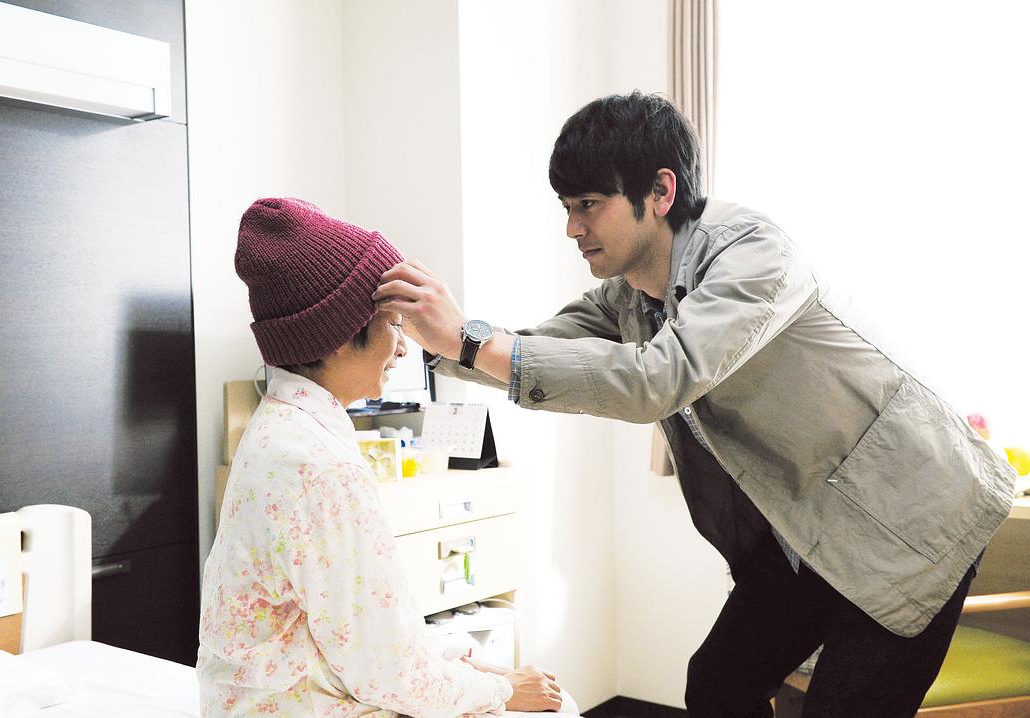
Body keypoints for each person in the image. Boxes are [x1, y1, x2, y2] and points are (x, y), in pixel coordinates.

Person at [373, 92, 1018, 718]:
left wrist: (468, 341)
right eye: (567, 207)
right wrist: (432, 343)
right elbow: (531, 350)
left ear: (660, 191)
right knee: (717, 686)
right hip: (808, 528)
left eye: (589, 205)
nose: (572, 228)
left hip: (910, 513)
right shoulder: (631, 296)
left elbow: (659, 378)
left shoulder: (752, 255)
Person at [197, 198, 567, 717]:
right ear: (338, 336)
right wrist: (502, 692)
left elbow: (367, 637)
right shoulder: (320, 466)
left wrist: (475, 671)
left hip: (257, 701)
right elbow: (386, 672)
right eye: (394, 324)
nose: (404, 347)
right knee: (557, 707)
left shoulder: (276, 431)